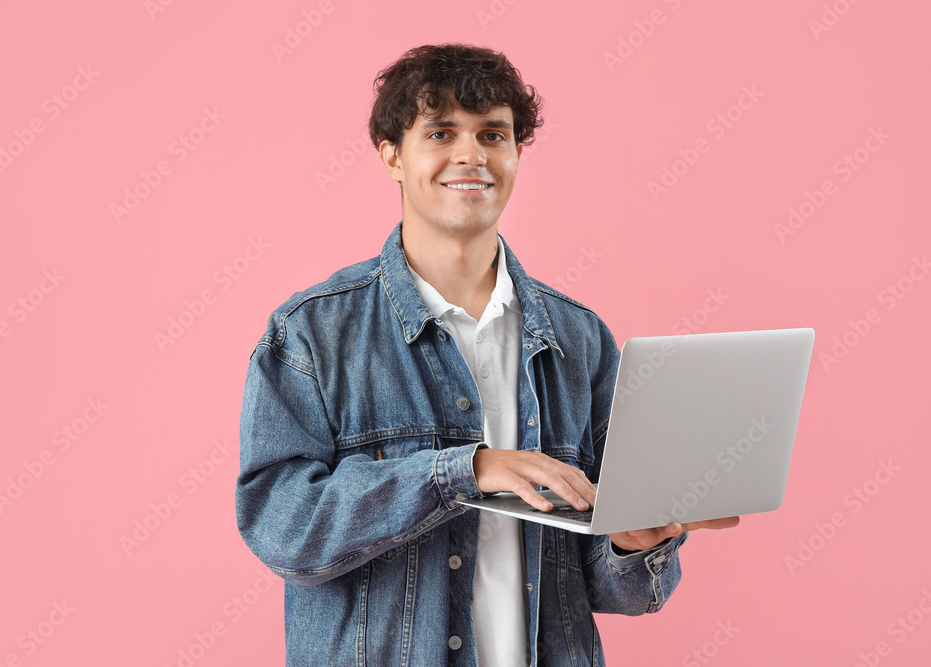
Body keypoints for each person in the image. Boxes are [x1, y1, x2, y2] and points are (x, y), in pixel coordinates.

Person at [237, 43, 738, 667]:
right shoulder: (312, 333)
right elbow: (282, 527)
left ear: (516, 153)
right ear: (392, 155)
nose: (471, 155)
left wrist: (635, 546)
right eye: (441, 132)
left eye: (492, 134)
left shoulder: (580, 339)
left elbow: (620, 592)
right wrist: (462, 472)